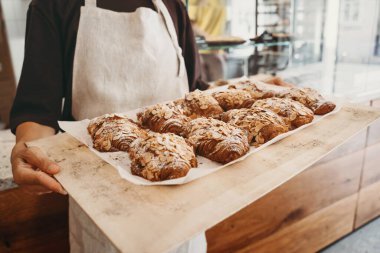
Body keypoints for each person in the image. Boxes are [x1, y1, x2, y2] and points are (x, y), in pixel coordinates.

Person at [10, 0, 208, 252]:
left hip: (183, 201)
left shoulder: (173, 6)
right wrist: (27, 149)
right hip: (103, 205)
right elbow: (39, 109)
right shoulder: (53, 5)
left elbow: (196, 94)